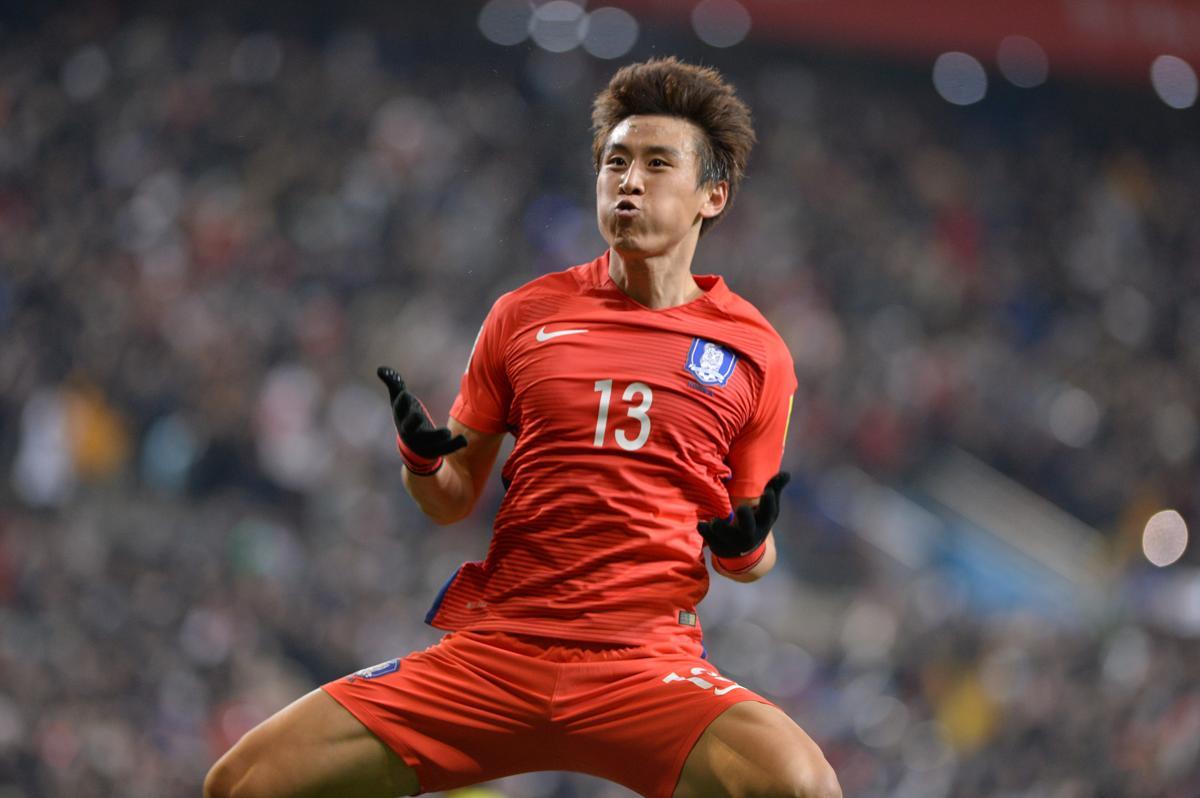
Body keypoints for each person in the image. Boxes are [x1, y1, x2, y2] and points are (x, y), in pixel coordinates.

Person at [204, 57, 841, 798]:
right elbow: (450, 499)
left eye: (657, 164)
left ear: (713, 195)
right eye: (615, 162)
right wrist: (419, 461)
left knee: (803, 788)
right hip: (496, 657)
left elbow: (749, 552)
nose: (628, 181)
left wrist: (745, 546)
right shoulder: (524, 315)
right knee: (244, 782)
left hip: (643, 667)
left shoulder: (756, 352)